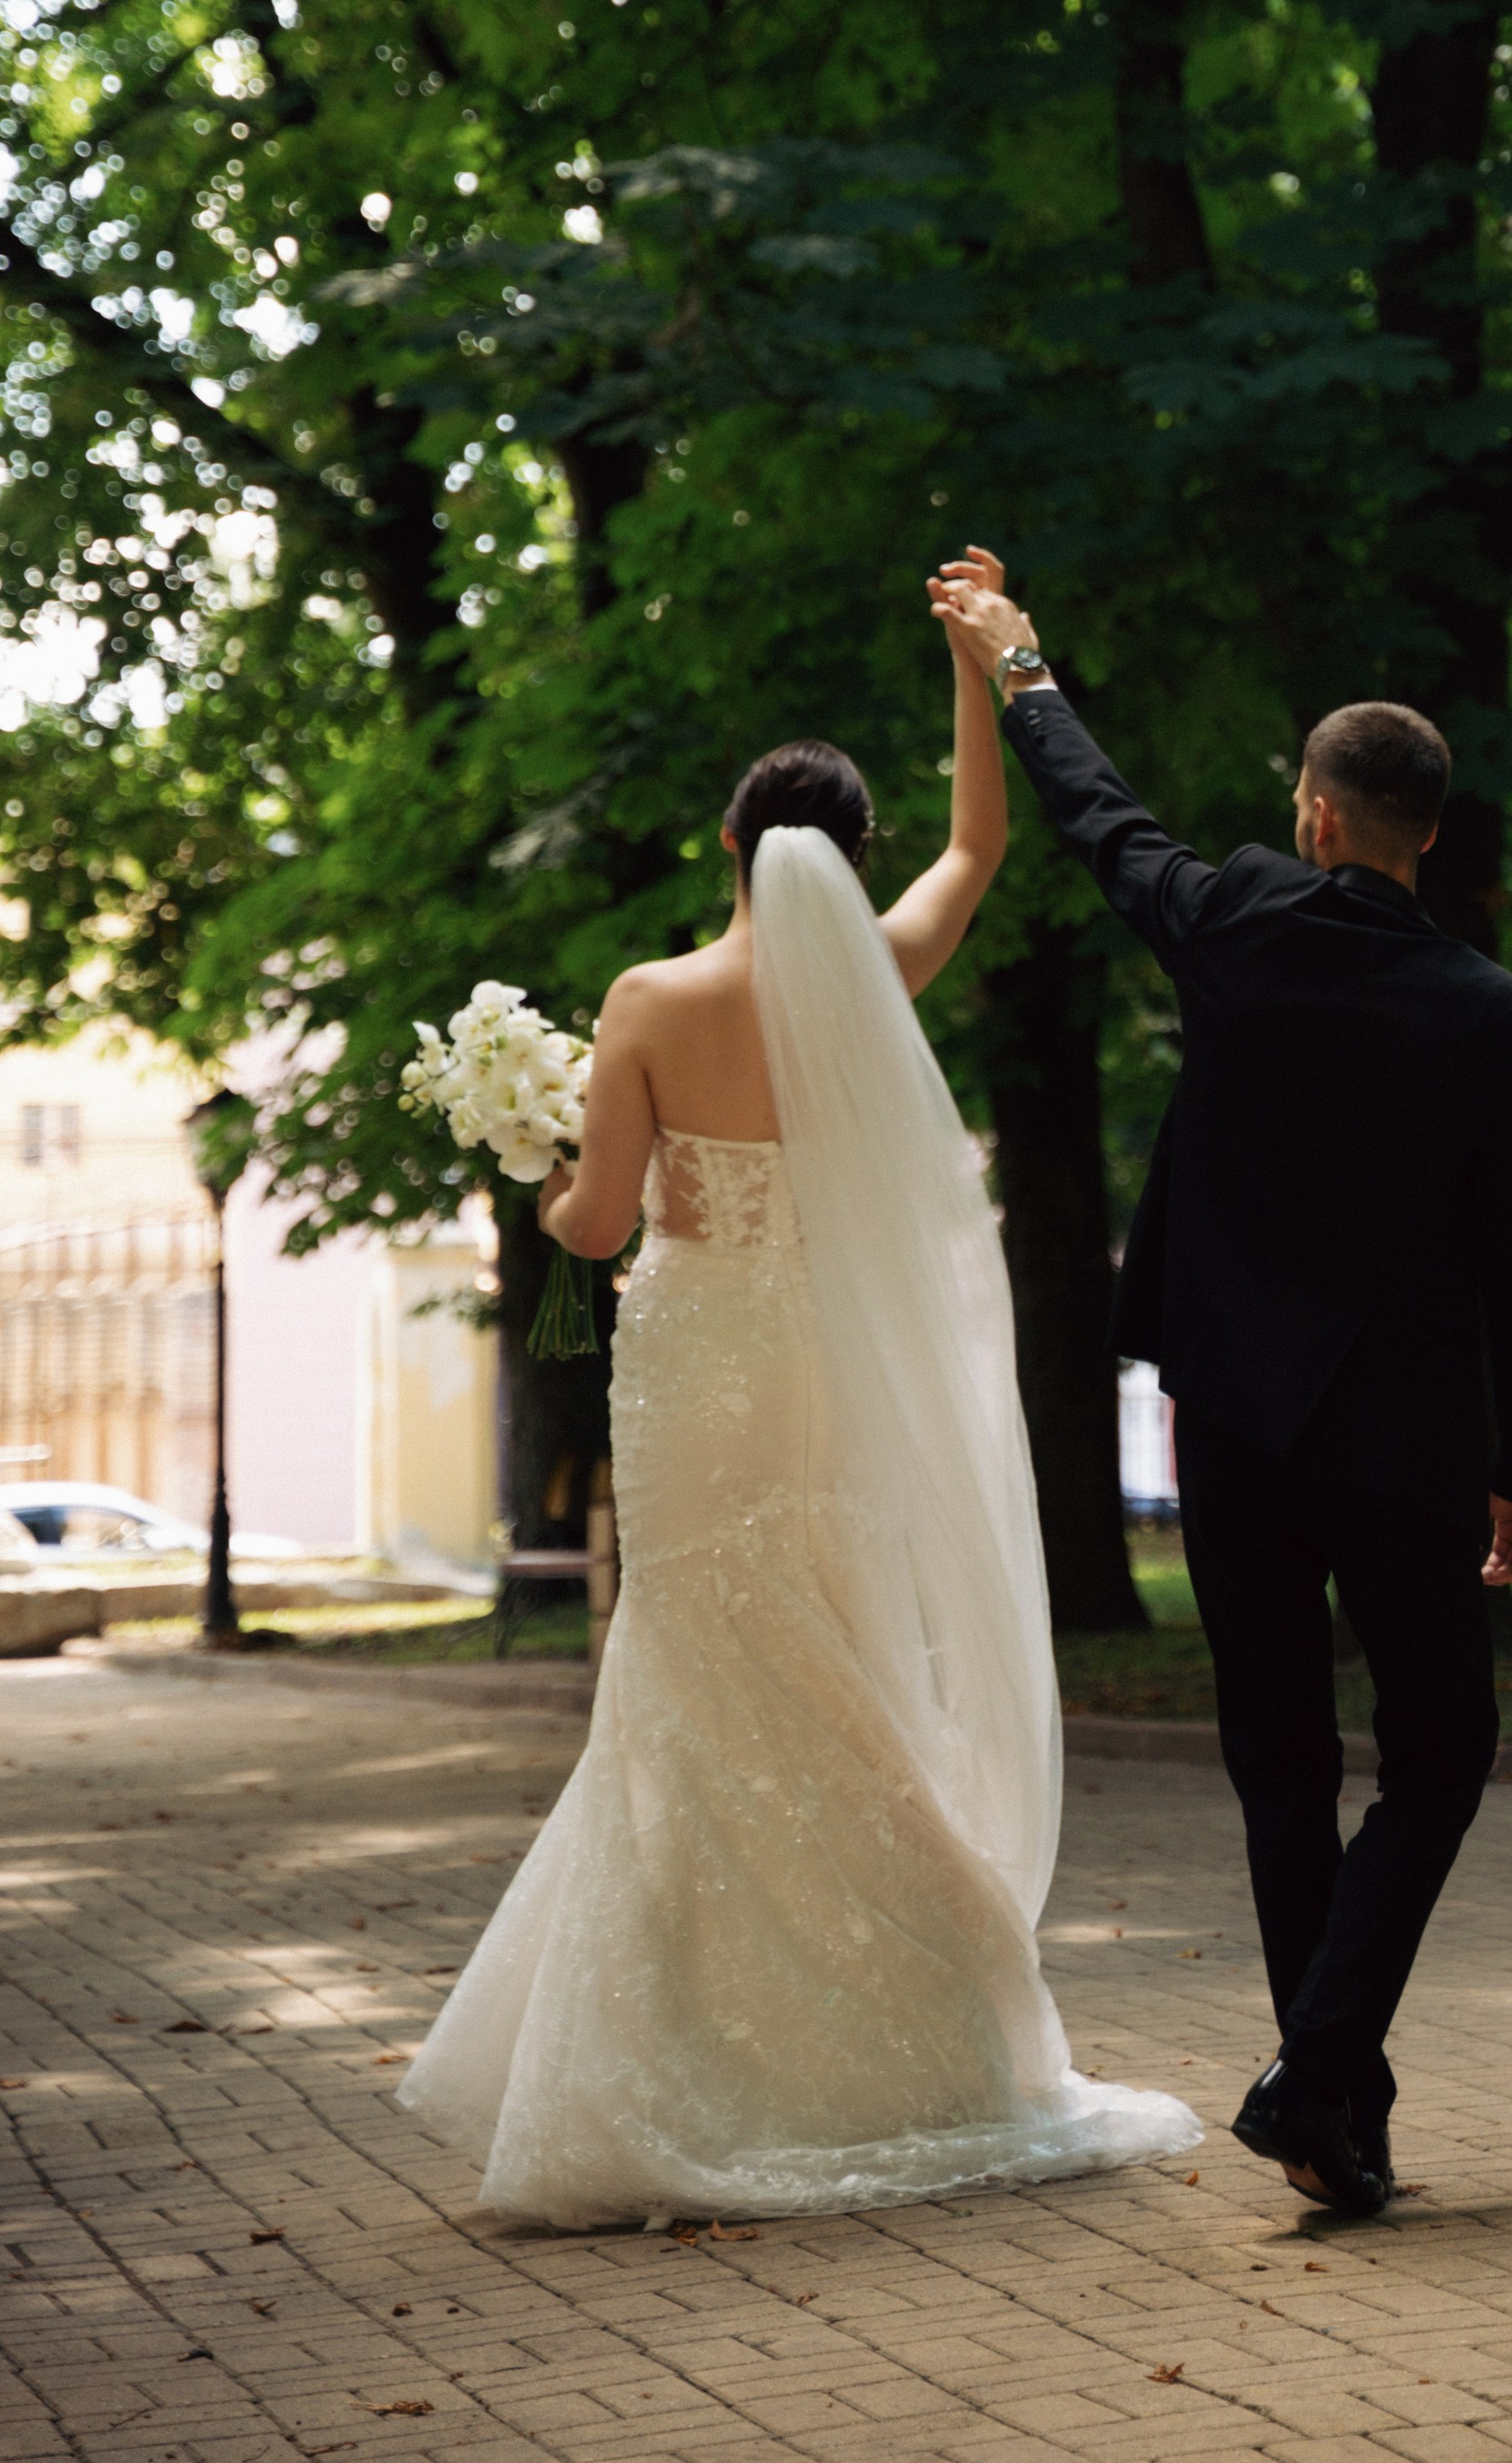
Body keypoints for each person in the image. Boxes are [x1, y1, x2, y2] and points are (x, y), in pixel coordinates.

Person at [397, 551, 1196, 2228]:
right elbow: (979, 848)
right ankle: (917, 2033)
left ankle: (688, 2058)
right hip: (832, 1359)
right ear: (852, 855)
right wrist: (975, 664)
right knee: (841, 1656)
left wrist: (538, 1176)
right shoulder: (877, 981)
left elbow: (600, 1226)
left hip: (700, 1365)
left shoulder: (650, 1000)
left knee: (692, 1663)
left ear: (727, 843)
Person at [928, 562, 1512, 2221]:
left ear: (1318, 815)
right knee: (1442, 1748)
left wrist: (1019, 664)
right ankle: (1323, 2084)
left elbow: (1099, 818)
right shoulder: (1500, 1021)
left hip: (1232, 1426)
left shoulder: (1231, 926)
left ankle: (1328, 2097)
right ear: (1426, 831)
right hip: (1408, 1444)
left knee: (1280, 1762)